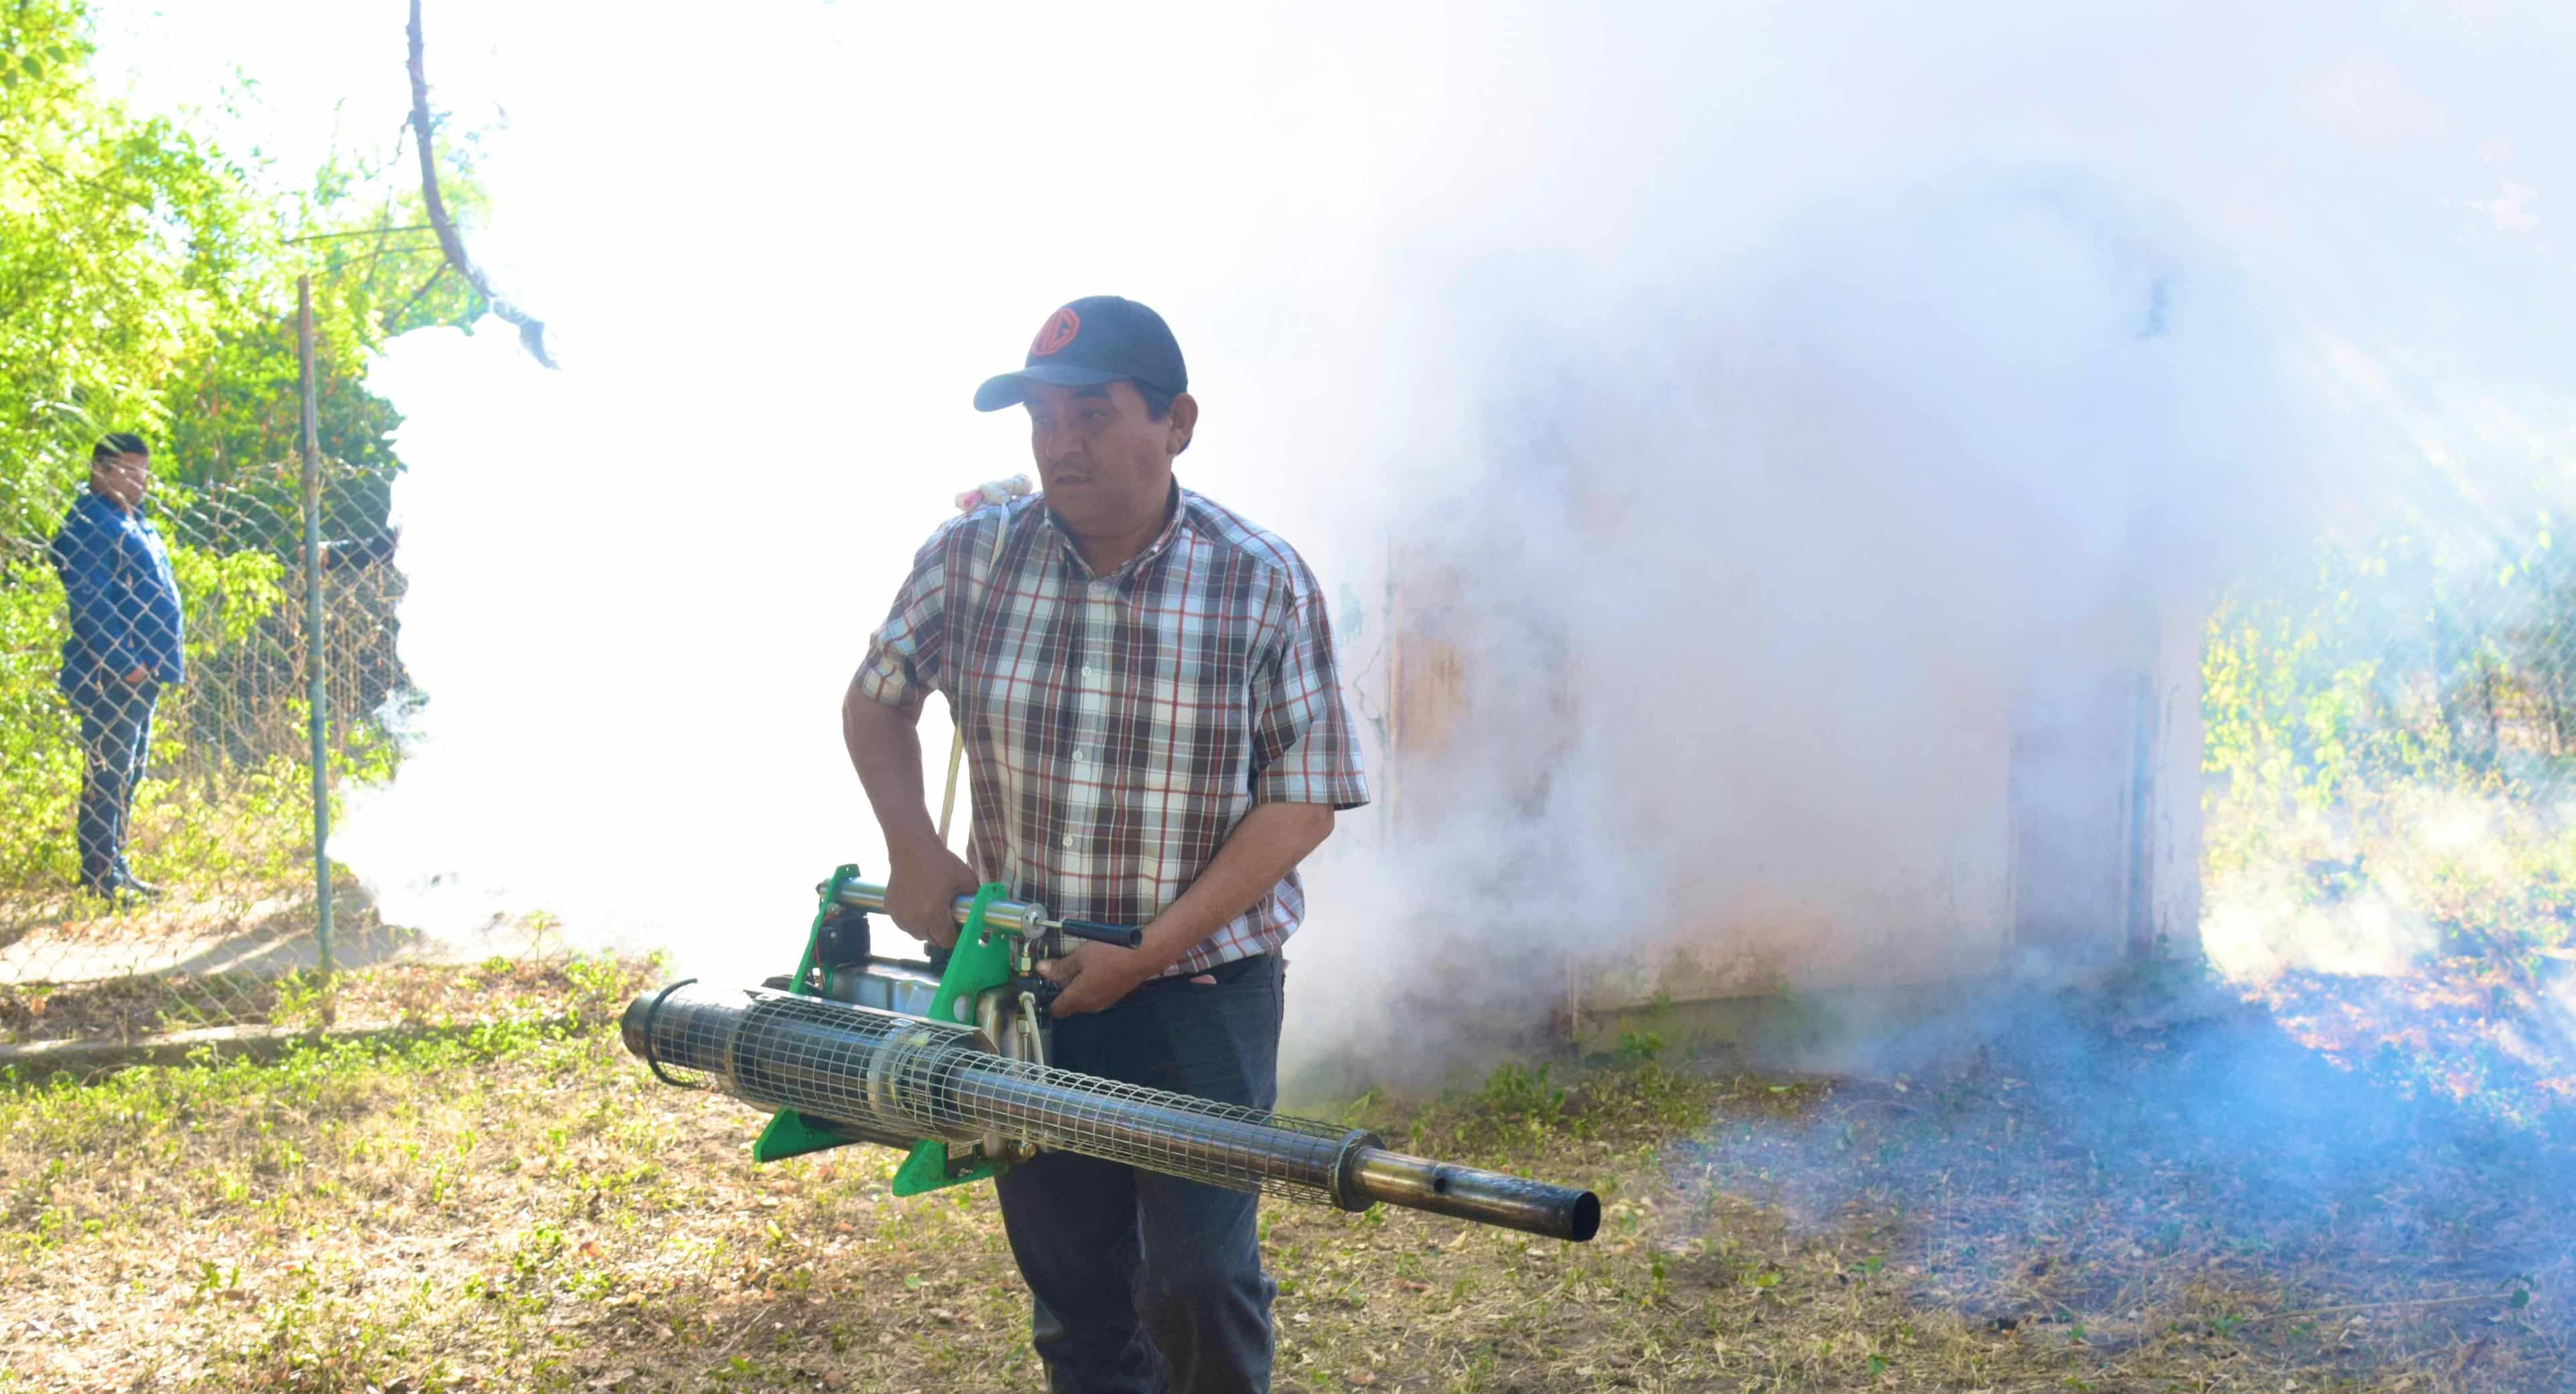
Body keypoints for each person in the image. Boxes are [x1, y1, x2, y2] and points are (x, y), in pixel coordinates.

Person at [842, 296, 1370, 1393]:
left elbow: (1302, 799)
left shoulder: (1257, 580)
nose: (1058, 442)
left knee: (1197, 1278)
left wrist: (1144, 946)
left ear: (1175, 422)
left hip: (1200, 991)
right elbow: (877, 699)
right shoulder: (970, 557)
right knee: (1074, 1286)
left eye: (1090, 413)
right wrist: (913, 846)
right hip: (1022, 988)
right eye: (1040, 416)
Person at [49, 432, 185, 900]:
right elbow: (91, 604)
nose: (140, 479)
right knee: (107, 772)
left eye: (144, 470)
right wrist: (126, 664)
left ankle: (117, 865)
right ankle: (99, 875)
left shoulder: (134, 521)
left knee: (129, 771)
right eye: (129, 469)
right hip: (109, 674)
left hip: (143, 675)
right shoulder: (90, 522)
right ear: (101, 470)